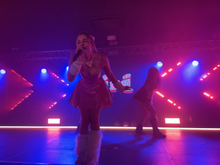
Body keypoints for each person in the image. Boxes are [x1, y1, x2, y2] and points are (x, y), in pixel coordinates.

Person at [67, 32, 132, 165]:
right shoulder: (75, 57)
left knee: (94, 119)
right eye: (78, 42)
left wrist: (120, 87)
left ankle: (92, 155)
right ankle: (81, 154)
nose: (81, 44)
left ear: (91, 43)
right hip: (83, 89)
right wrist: (77, 62)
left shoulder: (102, 58)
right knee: (85, 120)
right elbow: (70, 78)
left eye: (84, 41)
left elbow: (110, 75)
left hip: (97, 89)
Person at [133, 67, 166, 138]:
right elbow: (150, 90)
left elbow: (149, 89)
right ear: (156, 72)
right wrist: (150, 99)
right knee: (153, 112)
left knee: (147, 112)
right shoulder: (154, 79)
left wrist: (150, 98)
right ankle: (156, 132)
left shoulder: (150, 78)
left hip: (140, 95)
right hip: (143, 95)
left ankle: (139, 130)